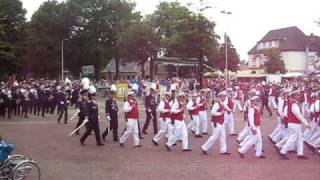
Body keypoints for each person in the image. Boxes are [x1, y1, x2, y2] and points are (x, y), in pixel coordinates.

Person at [278, 90, 310, 160]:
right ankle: (283, 151)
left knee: (299, 139)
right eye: (297, 95)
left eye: (299, 95)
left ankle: (300, 153)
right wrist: (306, 123)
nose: (299, 96)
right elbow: (299, 115)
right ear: (294, 96)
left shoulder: (292, 103)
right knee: (292, 139)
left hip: (294, 124)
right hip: (294, 124)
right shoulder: (294, 104)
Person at [201, 91, 230, 155]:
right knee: (215, 136)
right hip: (216, 122)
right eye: (223, 96)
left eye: (225, 96)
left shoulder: (222, 103)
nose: (224, 97)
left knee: (223, 136)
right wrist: (220, 113)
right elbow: (212, 113)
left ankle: (223, 150)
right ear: (220, 97)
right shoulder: (217, 104)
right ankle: (204, 147)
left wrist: (228, 110)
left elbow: (225, 108)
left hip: (221, 121)